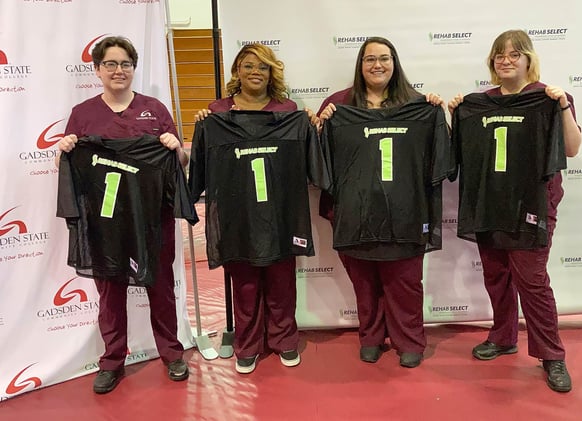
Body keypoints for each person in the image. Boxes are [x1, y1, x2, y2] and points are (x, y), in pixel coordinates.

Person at [448, 29, 582, 392]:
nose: (505, 60)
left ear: (528, 59)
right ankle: (503, 336)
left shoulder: (549, 98)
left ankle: (552, 355)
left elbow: (571, 149)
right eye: (499, 55)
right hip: (489, 202)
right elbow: (457, 151)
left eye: (513, 54)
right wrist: (455, 114)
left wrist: (564, 107)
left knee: (532, 280)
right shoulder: (480, 102)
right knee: (496, 275)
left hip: (532, 203)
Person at [56, 36, 191, 394]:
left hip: (151, 219)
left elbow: (179, 164)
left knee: (160, 288)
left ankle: (172, 354)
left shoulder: (155, 109)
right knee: (110, 294)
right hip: (104, 223)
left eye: (126, 64)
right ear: (98, 70)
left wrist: (176, 149)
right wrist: (65, 149)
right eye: (111, 64)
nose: (119, 71)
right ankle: (112, 361)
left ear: (134, 68)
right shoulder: (83, 114)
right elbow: (67, 167)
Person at [318, 36, 448, 368]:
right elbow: (317, 158)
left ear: (395, 63)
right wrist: (319, 124)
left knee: (404, 282)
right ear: (360, 65)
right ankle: (371, 336)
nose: (378, 65)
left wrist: (436, 113)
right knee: (364, 282)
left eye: (385, 58)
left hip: (405, 211)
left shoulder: (417, 103)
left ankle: (409, 340)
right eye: (370, 59)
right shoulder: (340, 105)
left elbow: (440, 155)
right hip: (355, 211)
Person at [193, 43, 317, 374]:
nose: (255, 72)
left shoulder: (287, 110)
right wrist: (204, 124)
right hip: (238, 215)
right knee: (245, 285)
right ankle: (248, 344)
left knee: (281, 281)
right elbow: (201, 167)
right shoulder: (216, 113)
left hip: (280, 212)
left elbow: (308, 158)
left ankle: (284, 340)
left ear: (271, 72)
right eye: (248, 66)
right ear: (237, 71)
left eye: (262, 66)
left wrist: (312, 124)